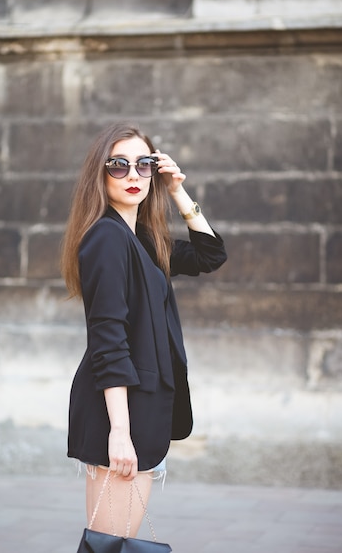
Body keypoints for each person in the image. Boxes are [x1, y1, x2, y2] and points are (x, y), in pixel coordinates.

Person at [61, 122, 227, 538]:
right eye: (118, 165)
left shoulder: (144, 239)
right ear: (99, 175)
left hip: (141, 411)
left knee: (117, 544)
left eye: (144, 164)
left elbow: (210, 254)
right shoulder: (106, 238)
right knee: (111, 544)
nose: (132, 174)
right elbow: (108, 338)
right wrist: (119, 431)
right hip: (121, 415)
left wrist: (176, 190)